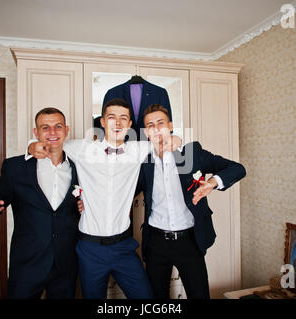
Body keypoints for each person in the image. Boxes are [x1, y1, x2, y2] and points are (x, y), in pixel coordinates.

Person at [27, 98, 181, 299]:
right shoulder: (81, 149)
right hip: (89, 249)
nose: (117, 123)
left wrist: (176, 139)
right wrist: (32, 145)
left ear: (129, 124)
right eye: (111, 117)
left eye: (123, 118)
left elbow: (166, 140)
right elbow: (50, 141)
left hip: (124, 247)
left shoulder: (138, 150)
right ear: (102, 122)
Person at [135, 104, 246, 299]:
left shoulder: (191, 154)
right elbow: (125, 191)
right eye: (150, 125)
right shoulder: (143, 163)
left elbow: (237, 168)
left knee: (199, 295)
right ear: (146, 132)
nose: (156, 128)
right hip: (156, 243)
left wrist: (212, 182)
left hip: (189, 242)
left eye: (160, 123)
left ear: (170, 125)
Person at [0, 107, 80, 299]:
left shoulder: (79, 167)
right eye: (45, 127)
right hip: (27, 264)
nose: (52, 132)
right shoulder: (15, 167)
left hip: (66, 264)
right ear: (36, 133)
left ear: (67, 130)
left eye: (58, 126)